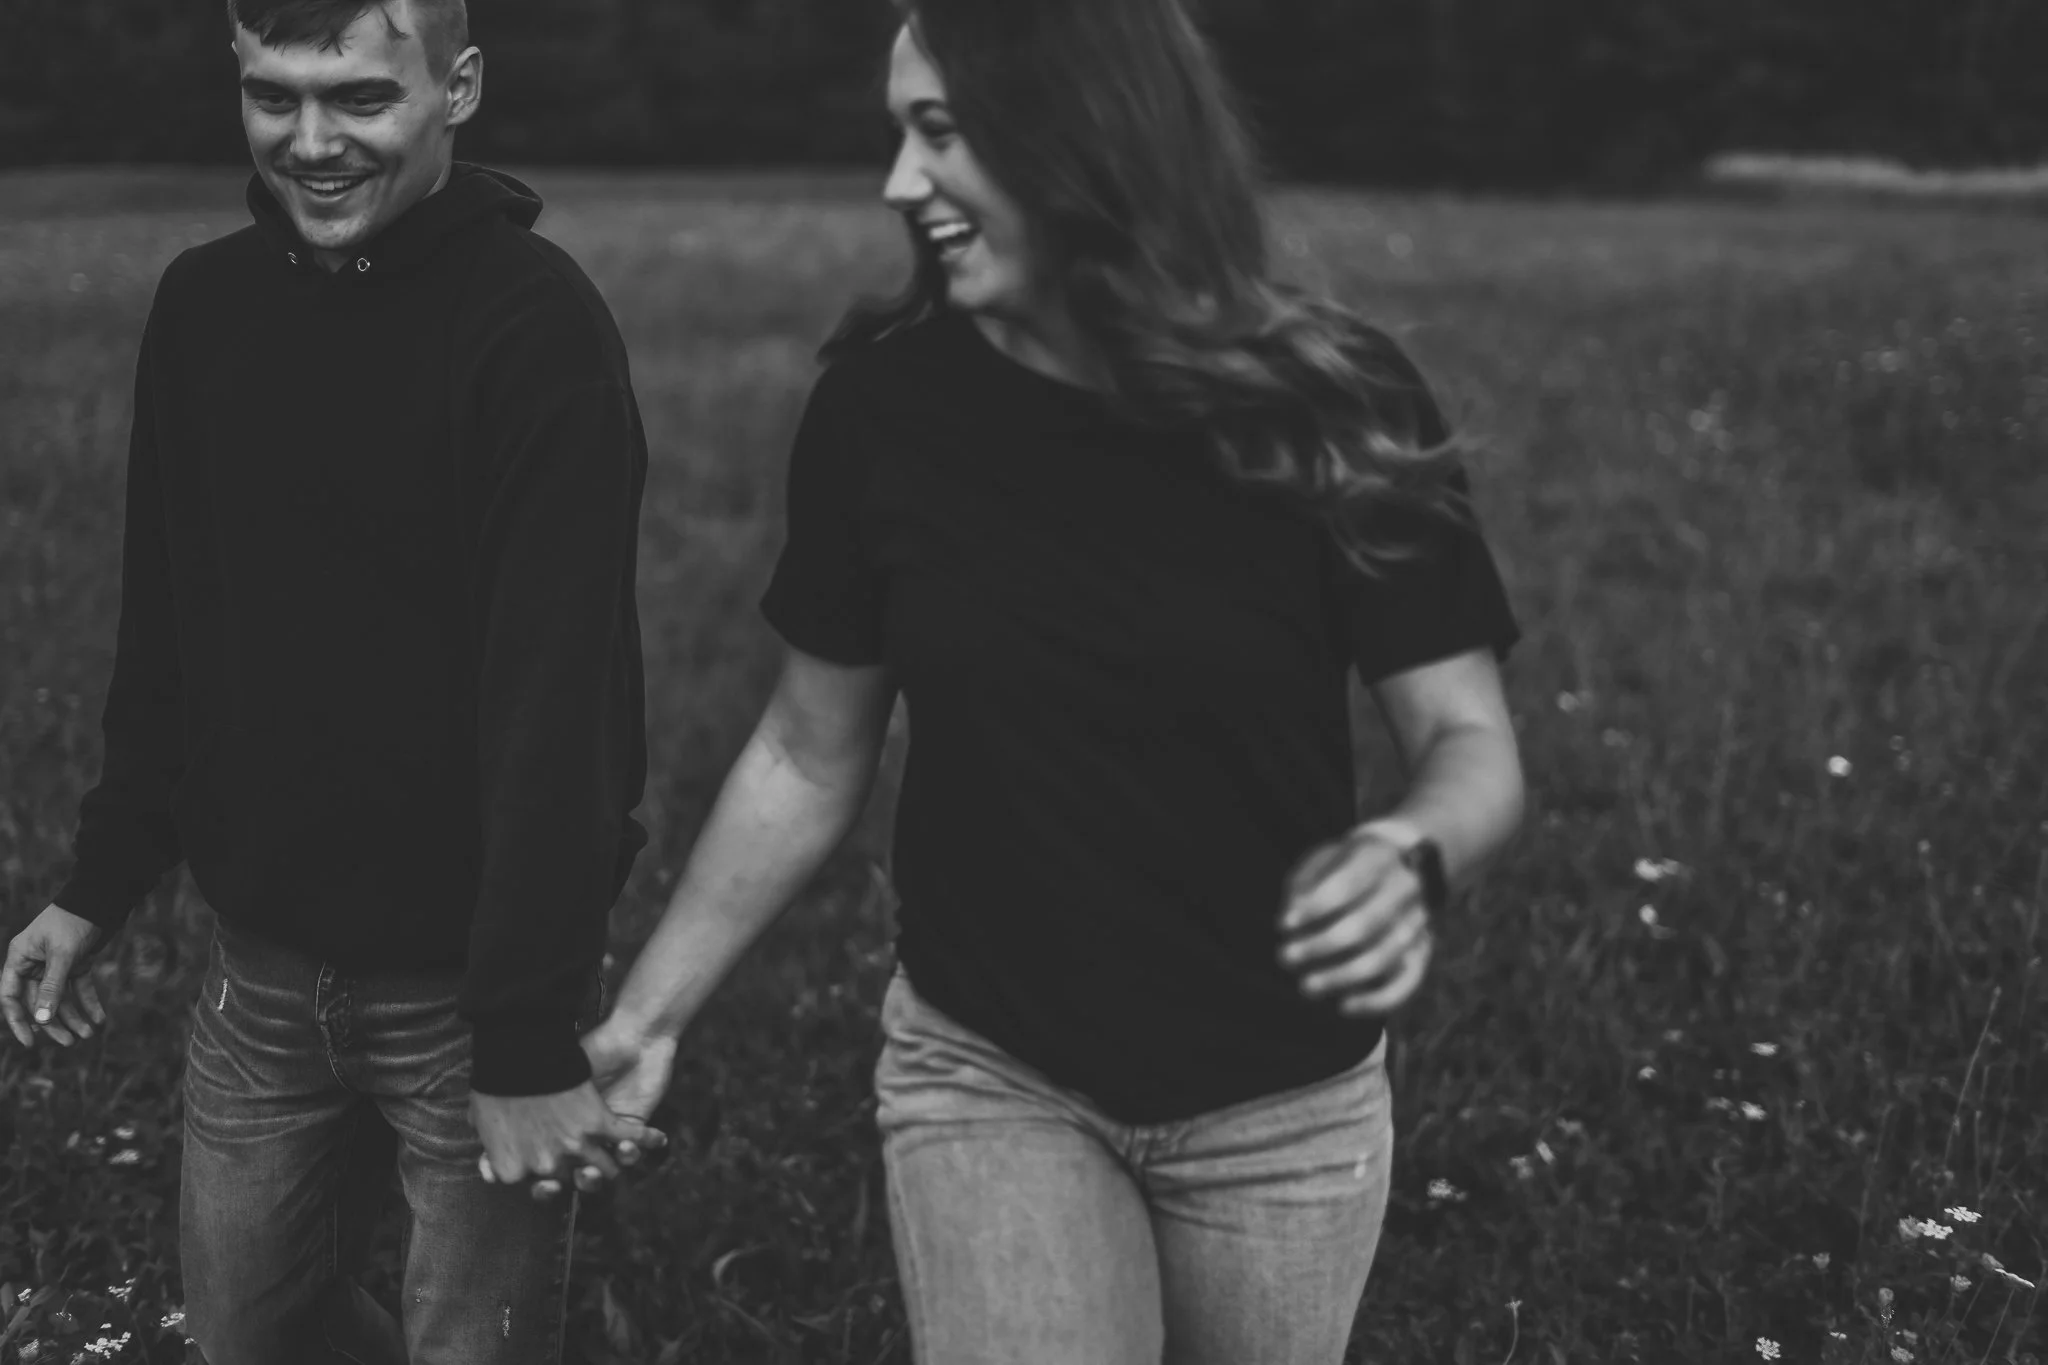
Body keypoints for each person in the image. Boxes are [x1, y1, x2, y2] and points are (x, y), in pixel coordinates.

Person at [582, 0, 1525, 1360]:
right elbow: (807, 748)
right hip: (995, 1068)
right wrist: (648, 1016)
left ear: (1082, 139)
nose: (900, 183)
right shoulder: (882, 411)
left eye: (941, 134)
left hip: (1286, 1103)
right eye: (900, 133)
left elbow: (1469, 740)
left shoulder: (1331, 398)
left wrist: (1415, 847)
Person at [0, 1, 661, 1359]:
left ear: (457, 88)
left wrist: (527, 1034)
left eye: (360, 98)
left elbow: (561, 712)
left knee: (475, 1345)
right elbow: (169, 626)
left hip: (470, 984)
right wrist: (99, 878)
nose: (312, 142)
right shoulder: (205, 306)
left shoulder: (533, 328)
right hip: (266, 978)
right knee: (252, 1333)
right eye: (274, 96)